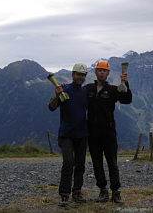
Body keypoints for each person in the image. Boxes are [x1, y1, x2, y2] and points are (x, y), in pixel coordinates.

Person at [86, 60, 132, 203]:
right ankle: (103, 191)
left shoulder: (113, 90)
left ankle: (116, 192)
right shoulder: (88, 89)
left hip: (108, 132)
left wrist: (126, 83)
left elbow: (127, 99)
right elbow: (74, 94)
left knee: (112, 163)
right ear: (96, 72)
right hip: (92, 133)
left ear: (108, 73)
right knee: (97, 163)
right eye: (99, 70)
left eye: (104, 70)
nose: (101, 72)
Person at [48, 63, 88, 204]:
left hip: (82, 134)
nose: (80, 77)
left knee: (80, 164)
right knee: (68, 162)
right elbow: (51, 107)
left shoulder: (85, 92)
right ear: (73, 75)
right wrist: (57, 96)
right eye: (78, 74)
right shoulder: (64, 89)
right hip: (66, 135)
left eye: (83, 75)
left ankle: (77, 192)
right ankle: (64, 194)